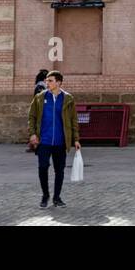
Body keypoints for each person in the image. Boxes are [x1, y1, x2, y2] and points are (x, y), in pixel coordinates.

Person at [27, 70, 80, 209]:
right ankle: (45, 195)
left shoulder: (68, 98)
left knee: (59, 170)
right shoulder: (40, 97)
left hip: (60, 141)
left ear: (59, 82)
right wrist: (32, 134)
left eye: (50, 81)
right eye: (47, 81)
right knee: (43, 168)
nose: (47, 83)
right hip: (43, 141)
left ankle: (57, 197)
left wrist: (76, 139)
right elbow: (31, 117)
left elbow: (73, 120)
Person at [27, 70, 50, 152]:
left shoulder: (40, 86)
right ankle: (34, 145)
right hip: (39, 111)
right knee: (37, 127)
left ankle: (33, 144)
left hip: (39, 110)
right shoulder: (41, 87)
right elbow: (40, 101)